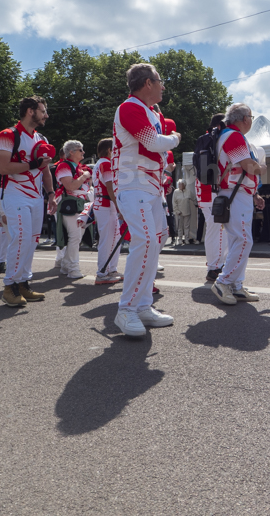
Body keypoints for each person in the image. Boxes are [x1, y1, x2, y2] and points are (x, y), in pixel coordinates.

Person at [112, 63, 180, 336]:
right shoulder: (130, 107)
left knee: (157, 240)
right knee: (147, 240)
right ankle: (126, 309)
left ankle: (142, 305)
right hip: (133, 185)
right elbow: (153, 143)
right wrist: (174, 138)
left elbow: (155, 148)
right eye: (160, 80)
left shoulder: (150, 111)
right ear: (148, 83)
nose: (163, 86)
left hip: (150, 187)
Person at [0, 95, 57, 307]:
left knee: (32, 241)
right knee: (20, 239)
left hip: (36, 197)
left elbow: (45, 169)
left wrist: (50, 194)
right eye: (43, 111)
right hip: (15, 195)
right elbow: (3, 167)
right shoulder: (7, 135)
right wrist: (34, 164)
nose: (46, 115)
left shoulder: (41, 138)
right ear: (31, 111)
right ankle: (9, 287)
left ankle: (23, 283)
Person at [209, 103, 266, 305]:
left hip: (235, 193)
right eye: (251, 117)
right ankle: (224, 281)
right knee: (243, 240)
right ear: (244, 119)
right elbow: (248, 166)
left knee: (237, 240)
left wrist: (254, 194)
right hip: (235, 194)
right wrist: (262, 168)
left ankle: (236, 285)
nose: (251, 120)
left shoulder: (228, 135)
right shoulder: (234, 136)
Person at [54, 140, 91, 280]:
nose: (83, 152)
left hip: (81, 203)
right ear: (71, 152)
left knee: (77, 237)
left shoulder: (79, 167)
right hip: (70, 203)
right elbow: (70, 186)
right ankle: (73, 268)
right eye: (80, 149)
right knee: (75, 236)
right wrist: (85, 176)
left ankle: (66, 265)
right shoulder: (64, 165)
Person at [197, 113, 227, 284]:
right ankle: (215, 266)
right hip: (211, 188)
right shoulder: (216, 139)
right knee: (218, 228)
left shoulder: (205, 139)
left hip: (204, 187)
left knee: (215, 228)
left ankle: (216, 265)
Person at [93, 138, 123, 285]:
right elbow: (110, 188)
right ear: (110, 150)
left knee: (113, 238)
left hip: (105, 204)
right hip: (105, 204)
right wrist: (119, 207)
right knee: (108, 239)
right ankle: (102, 272)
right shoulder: (106, 163)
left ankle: (110, 269)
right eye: (116, 149)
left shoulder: (102, 163)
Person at [172, 179, 192, 246]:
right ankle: (180, 239)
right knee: (179, 227)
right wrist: (177, 210)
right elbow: (174, 202)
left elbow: (193, 199)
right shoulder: (176, 192)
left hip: (187, 211)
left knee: (186, 226)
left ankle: (186, 239)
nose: (180, 185)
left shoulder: (188, 191)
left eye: (181, 184)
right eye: (179, 184)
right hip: (179, 212)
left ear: (184, 185)